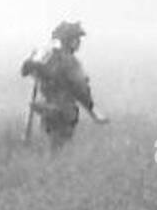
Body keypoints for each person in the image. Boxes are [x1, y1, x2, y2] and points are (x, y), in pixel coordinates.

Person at [21, 20, 104, 150]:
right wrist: (93, 111)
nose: (79, 43)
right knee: (60, 147)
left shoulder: (46, 56)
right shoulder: (71, 62)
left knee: (49, 143)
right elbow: (81, 90)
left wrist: (33, 60)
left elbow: (25, 70)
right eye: (77, 39)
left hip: (45, 108)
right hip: (64, 111)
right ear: (71, 41)